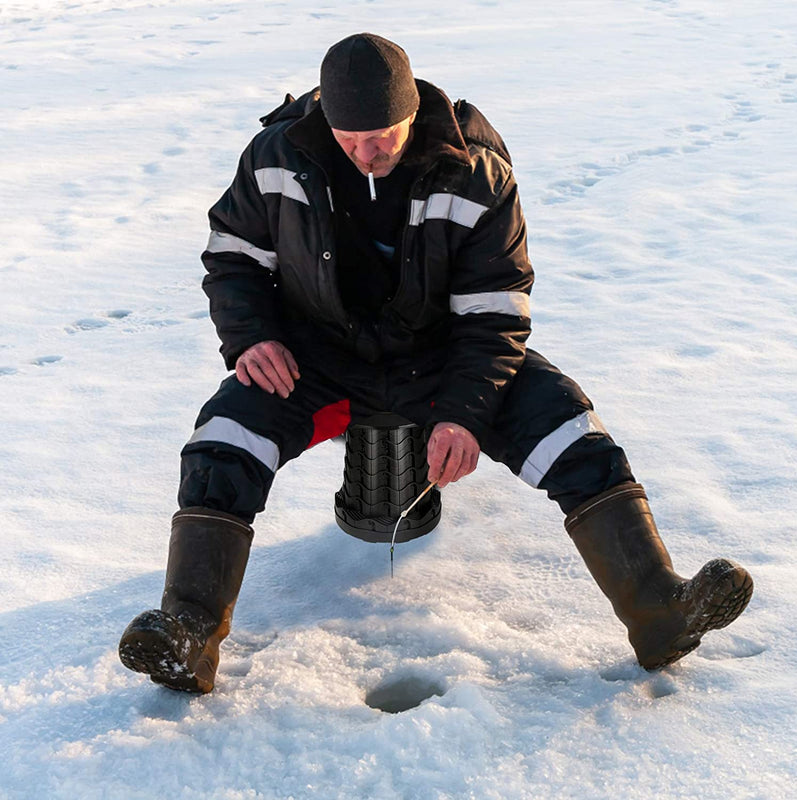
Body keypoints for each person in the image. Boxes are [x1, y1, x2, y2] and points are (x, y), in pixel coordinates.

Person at [118, 33, 753, 693]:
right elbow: (234, 258)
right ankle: (190, 633)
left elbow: (495, 315)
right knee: (223, 439)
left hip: (444, 361)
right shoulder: (276, 155)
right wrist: (250, 337)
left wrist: (463, 414)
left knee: (567, 427)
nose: (367, 152)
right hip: (319, 362)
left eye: (383, 136)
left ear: (411, 111)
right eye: (349, 138)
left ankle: (657, 609)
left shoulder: (476, 173)